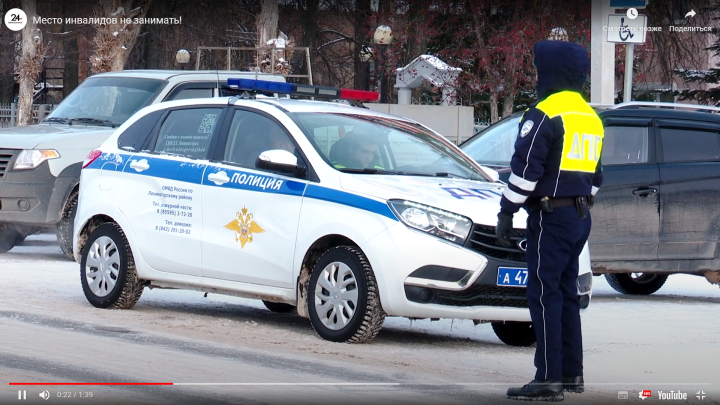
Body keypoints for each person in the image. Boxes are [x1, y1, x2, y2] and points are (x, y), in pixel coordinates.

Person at [496, 40, 604, 402]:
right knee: (567, 293)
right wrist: (579, 203)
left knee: (544, 295)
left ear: (551, 71)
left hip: (550, 216)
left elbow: (525, 172)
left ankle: (547, 378)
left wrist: (506, 211)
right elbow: (597, 177)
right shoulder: (590, 116)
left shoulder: (543, 113)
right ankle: (572, 373)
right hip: (580, 215)